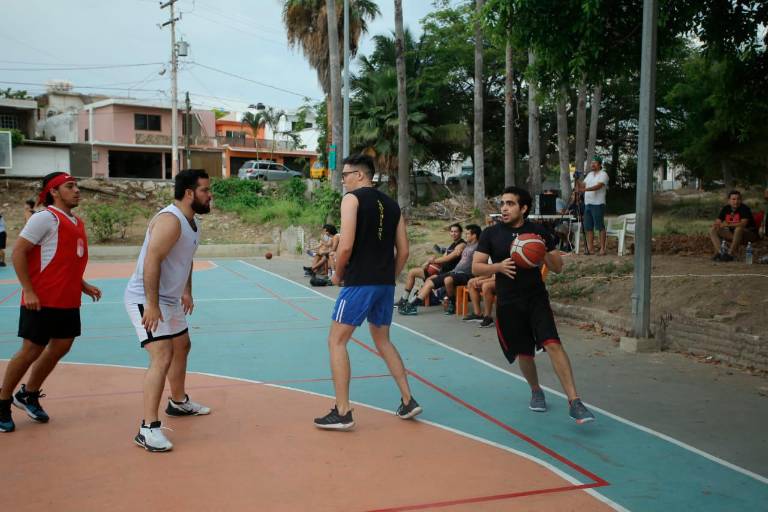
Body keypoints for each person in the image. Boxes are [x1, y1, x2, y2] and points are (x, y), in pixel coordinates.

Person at [314, 154, 421, 430]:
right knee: (383, 340)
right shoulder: (393, 205)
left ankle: (343, 410)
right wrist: (389, 276)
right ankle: (408, 400)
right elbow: (405, 250)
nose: (343, 180)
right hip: (384, 284)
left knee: (336, 341)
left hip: (360, 282)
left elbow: (346, 245)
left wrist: (338, 274)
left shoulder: (352, 199)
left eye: (346, 174)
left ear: (360, 175)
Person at [472, 186, 595, 424]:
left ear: (524, 208)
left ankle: (575, 401)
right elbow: (476, 267)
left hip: (536, 298)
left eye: (510, 204)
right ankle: (536, 390)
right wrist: (497, 267)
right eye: (503, 204)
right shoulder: (491, 234)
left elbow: (558, 267)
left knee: (553, 344)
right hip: (508, 302)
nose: (504, 208)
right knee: (524, 353)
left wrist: (542, 252)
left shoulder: (539, 232)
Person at [0, 172, 101, 433]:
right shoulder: (45, 218)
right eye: (70, 186)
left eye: (77, 186)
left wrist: (82, 284)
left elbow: (65, 261)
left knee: (61, 347)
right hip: (41, 299)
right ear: (53, 191)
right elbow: (18, 252)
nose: (77, 190)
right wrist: (28, 291)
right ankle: (2, 400)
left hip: (67, 299)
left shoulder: (76, 222)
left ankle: (29, 393)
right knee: (31, 350)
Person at [124, 169, 213, 452]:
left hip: (170, 298)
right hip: (146, 296)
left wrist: (186, 290)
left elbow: (184, 261)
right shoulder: (170, 221)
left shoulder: (191, 223)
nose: (210, 195)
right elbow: (153, 260)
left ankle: (177, 402)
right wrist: (151, 304)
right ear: (189, 193)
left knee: (182, 346)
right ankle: (147, 428)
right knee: (161, 355)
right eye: (205, 190)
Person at [399, 224, 481, 316]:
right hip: (453, 272)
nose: (465, 236)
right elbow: (446, 256)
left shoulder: (477, 246)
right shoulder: (466, 245)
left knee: (447, 280)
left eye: (467, 234)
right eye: (452, 231)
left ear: (474, 235)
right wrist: (431, 262)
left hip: (464, 274)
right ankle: (411, 305)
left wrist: (432, 261)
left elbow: (450, 257)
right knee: (430, 282)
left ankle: (452, 304)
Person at [710, 190, 758, 262]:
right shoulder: (726, 209)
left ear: (741, 200)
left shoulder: (744, 209)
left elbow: (743, 224)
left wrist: (727, 224)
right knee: (713, 229)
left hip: (749, 234)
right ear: (729, 200)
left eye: (738, 199)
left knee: (738, 229)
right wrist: (717, 224)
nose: (736, 201)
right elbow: (718, 221)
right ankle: (721, 253)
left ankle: (730, 254)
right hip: (734, 235)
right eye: (733, 199)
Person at [580, 156, 609, 255]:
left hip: (598, 203)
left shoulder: (603, 174)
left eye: (595, 163)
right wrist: (576, 180)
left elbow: (599, 186)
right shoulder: (589, 175)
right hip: (587, 203)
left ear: (600, 164)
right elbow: (582, 185)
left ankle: (602, 249)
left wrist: (585, 190)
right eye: (592, 163)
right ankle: (590, 248)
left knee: (600, 226)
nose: (592, 164)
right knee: (588, 227)